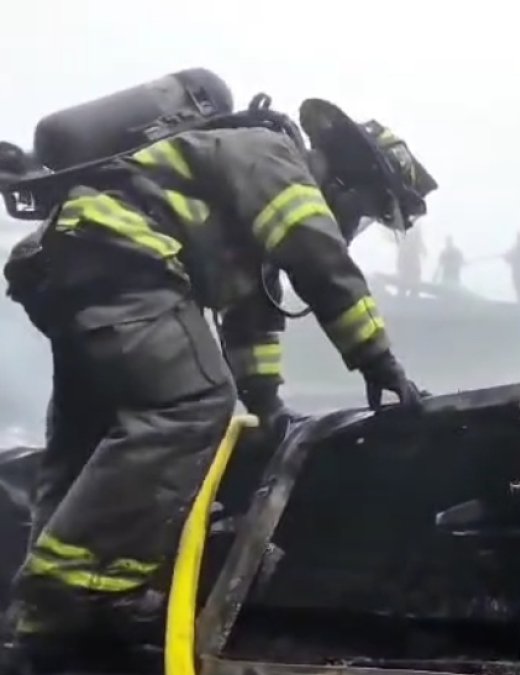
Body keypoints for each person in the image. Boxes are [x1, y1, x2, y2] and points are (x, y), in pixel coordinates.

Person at [0, 72, 436, 669]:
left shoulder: (241, 168)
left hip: (73, 261)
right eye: (365, 211)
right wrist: (377, 360)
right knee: (192, 403)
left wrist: (265, 403)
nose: (356, 225)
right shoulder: (276, 157)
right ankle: (87, 594)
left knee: (89, 437)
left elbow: (250, 313)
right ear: (348, 178)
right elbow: (320, 260)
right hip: (124, 255)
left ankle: (42, 611)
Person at [396, 221, 426, 297]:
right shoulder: (405, 243)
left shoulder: (413, 243)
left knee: (413, 289)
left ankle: (411, 296)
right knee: (403, 288)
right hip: (406, 272)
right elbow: (400, 260)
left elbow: (422, 249)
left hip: (412, 271)